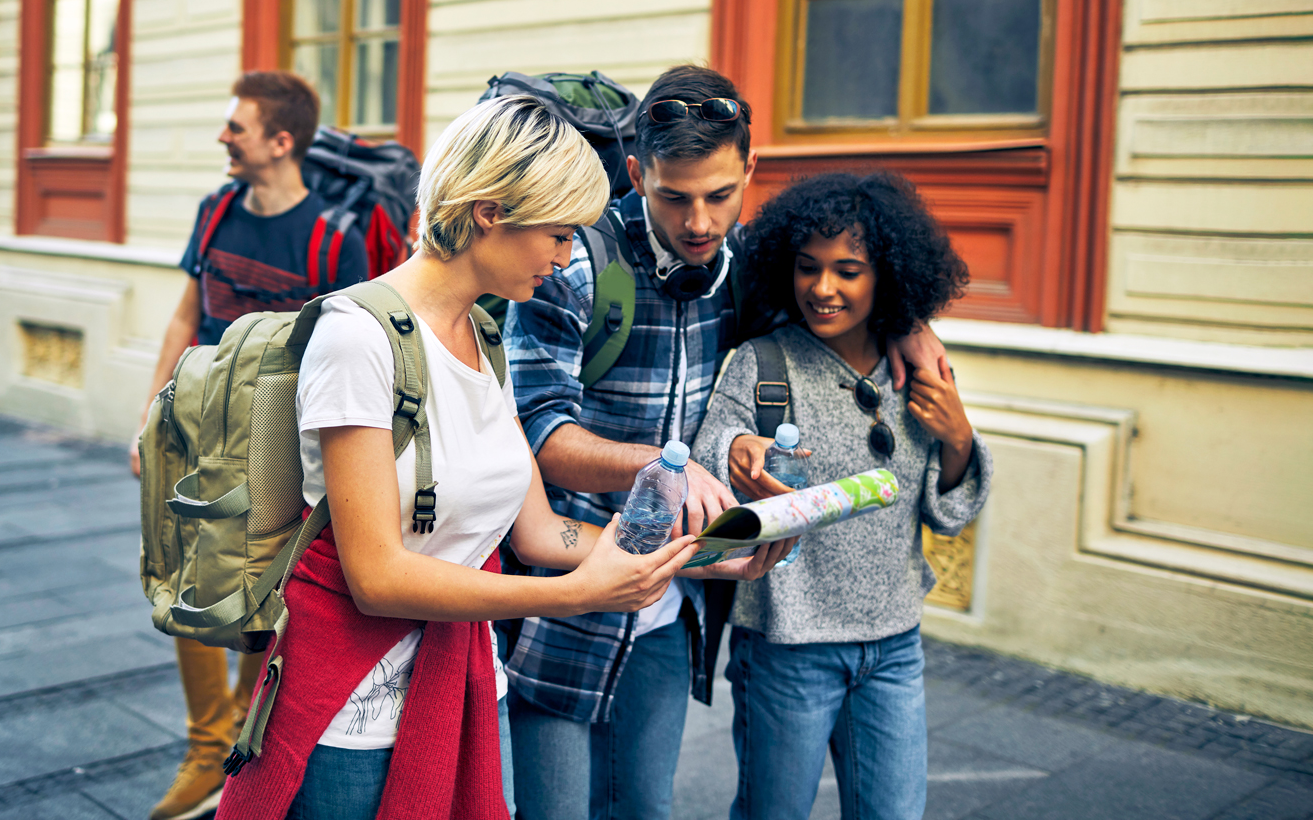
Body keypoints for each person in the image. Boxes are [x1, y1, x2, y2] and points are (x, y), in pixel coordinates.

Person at [213, 95, 763, 820]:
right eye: (560, 234)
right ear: (490, 212)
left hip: (461, 689)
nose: (567, 258)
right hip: (350, 712)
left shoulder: (483, 335)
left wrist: (692, 554)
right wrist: (572, 595)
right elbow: (376, 578)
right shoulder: (356, 338)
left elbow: (540, 534)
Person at [501, 66, 948, 820]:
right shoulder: (572, 264)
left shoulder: (753, 268)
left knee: (644, 808)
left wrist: (910, 319)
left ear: (750, 169)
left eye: (719, 195)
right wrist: (666, 468)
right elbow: (540, 434)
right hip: (564, 595)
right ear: (637, 173)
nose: (700, 222)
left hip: (670, 598)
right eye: (674, 197)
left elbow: (841, 295)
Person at [692, 170, 994, 820]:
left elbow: (948, 511)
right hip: (786, 643)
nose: (822, 289)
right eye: (808, 268)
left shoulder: (914, 372)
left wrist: (960, 437)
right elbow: (708, 462)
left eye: (847, 270)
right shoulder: (762, 364)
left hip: (893, 642)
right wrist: (739, 450)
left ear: (886, 276)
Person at [133, 71, 369, 820]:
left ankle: (239, 730)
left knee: (270, 592)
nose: (222, 138)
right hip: (198, 429)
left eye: (236, 127)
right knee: (186, 572)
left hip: (284, 451)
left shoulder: (336, 238)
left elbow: (357, 348)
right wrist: (151, 413)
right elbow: (184, 317)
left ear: (280, 141)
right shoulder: (217, 210)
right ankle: (207, 748)